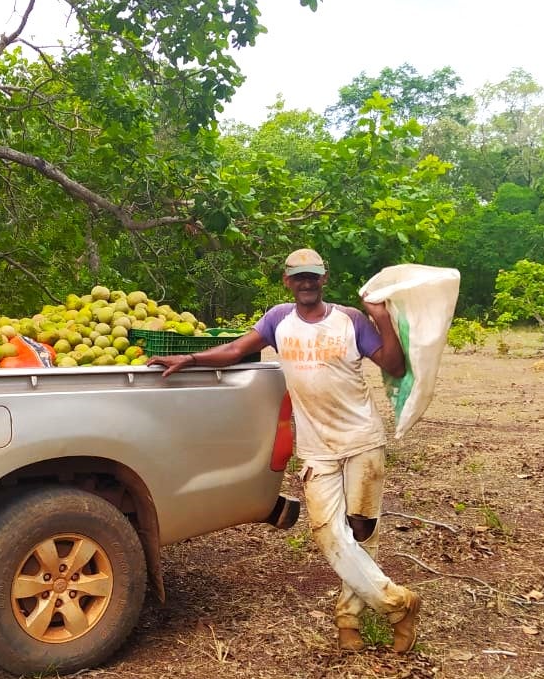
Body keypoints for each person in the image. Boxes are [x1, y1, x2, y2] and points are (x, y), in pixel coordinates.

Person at [148, 247, 422, 653]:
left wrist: (380, 316)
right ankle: (399, 604)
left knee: (361, 531)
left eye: (313, 276)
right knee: (329, 532)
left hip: (362, 440)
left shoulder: (350, 319)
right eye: (299, 277)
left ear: (324, 279)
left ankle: (348, 621)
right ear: (287, 281)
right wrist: (189, 358)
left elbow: (395, 367)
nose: (307, 282)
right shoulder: (279, 319)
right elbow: (236, 350)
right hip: (316, 449)